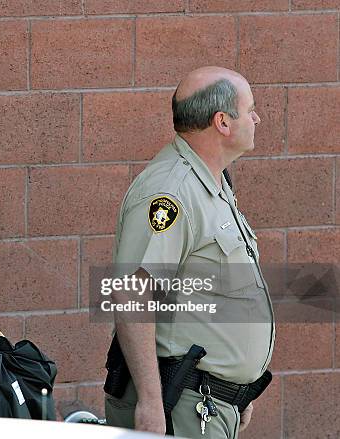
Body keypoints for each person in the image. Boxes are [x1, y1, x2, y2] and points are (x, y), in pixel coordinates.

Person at [104, 66, 275, 438]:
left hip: (210, 404)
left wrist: (240, 388)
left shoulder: (211, 182)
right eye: (250, 109)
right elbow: (131, 294)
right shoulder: (171, 191)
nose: (257, 118)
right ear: (223, 122)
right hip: (179, 403)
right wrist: (150, 402)